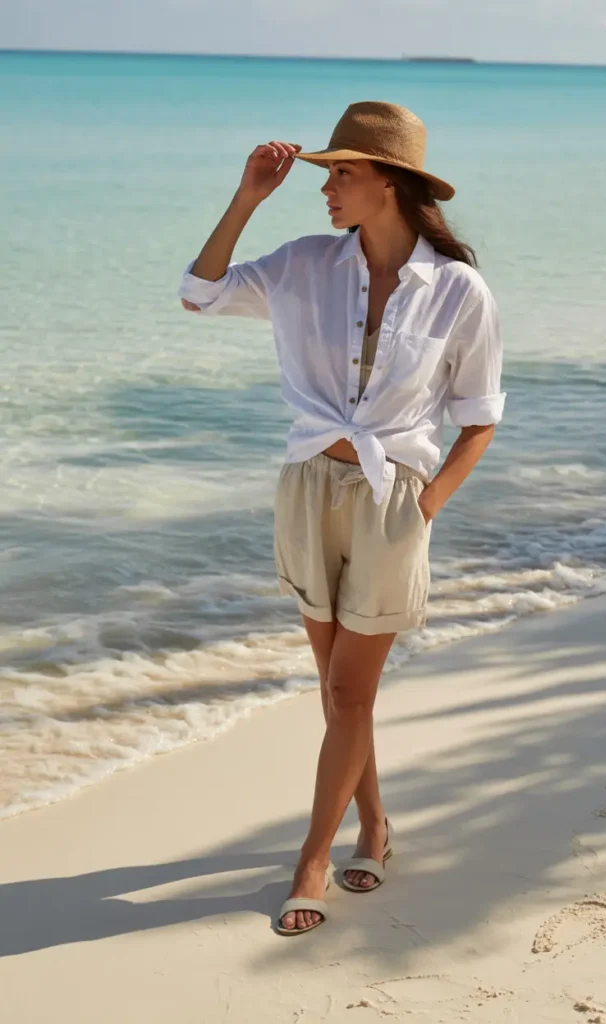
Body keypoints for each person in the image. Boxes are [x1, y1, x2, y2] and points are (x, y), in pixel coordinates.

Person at [177, 101, 507, 936]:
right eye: (326, 173)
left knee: (347, 691)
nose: (324, 189)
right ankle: (374, 827)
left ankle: (312, 858)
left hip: (391, 500)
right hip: (306, 492)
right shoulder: (301, 265)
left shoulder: (458, 289)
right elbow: (198, 294)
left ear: (389, 183)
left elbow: (479, 417)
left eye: (342, 174)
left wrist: (423, 508)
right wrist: (248, 196)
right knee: (340, 696)